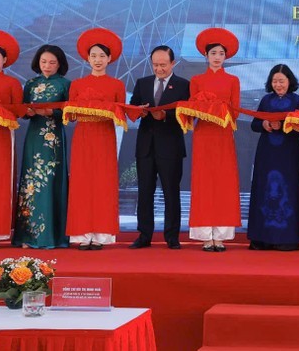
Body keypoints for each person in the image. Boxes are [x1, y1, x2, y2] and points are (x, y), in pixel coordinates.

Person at [65, 28, 126, 250]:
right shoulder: (77, 85)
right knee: (82, 182)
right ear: (87, 58)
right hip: (83, 135)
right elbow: (69, 115)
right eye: (93, 56)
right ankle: (82, 234)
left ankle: (101, 235)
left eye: (102, 56)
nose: (97, 60)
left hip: (105, 136)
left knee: (103, 182)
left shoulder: (117, 85)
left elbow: (122, 113)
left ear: (109, 58)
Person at [184, 28, 242, 252]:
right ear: (206, 56)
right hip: (204, 135)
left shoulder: (233, 80)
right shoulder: (197, 80)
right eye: (213, 53)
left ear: (225, 57)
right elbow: (192, 107)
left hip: (224, 134)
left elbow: (235, 111)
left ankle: (221, 235)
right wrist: (205, 107)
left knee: (224, 182)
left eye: (220, 53)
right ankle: (205, 235)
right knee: (204, 182)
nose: (217, 57)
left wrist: (217, 108)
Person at [129, 46, 190, 250]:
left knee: (171, 192)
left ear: (173, 63)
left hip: (170, 147)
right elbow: (133, 107)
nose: (159, 68)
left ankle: (172, 237)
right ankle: (144, 235)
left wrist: (166, 116)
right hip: (145, 146)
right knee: (144, 192)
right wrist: (140, 111)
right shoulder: (142, 83)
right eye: (155, 65)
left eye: (163, 64)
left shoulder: (183, 85)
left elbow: (187, 114)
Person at [13, 45, 71, 249]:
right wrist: (27, 112)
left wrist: (52, 113)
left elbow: (69, 114)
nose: (47, 66)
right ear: (38, 62)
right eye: (44, 62)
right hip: (33, 137)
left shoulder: (65, 84)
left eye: (52, 62)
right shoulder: (30, 84)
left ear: (60, 64)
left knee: (50, 180)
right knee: (31, 182)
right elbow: (20, 109)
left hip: (53, 138)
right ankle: (28, 236)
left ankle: (51, 237)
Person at [248, 64, 299, 251]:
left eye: (281, 81)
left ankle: (286, 238)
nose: (278, 85)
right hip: (266, 153)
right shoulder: (265, 100)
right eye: (275, 81)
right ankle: (261, 238)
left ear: (290, 81)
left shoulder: (298, 100)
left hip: (289, 154)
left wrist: (286, 125)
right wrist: (264, 124)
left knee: (288, 190)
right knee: (263, 189)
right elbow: (254, 124)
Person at [0, 31, 22, 248]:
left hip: (1, 136)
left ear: (4, 60)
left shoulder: (12, 83)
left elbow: (18, 111)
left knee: (0, 180)